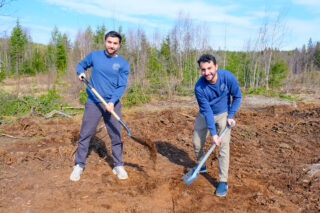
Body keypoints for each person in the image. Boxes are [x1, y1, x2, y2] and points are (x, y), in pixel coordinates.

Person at [70, 31, 129, 181]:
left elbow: (121, 85)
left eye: (115, 43)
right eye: (109, 42)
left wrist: (112, 101)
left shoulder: (123, 64)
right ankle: (79, 165)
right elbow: (81, 64)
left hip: (112, 104)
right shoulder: (94, 56)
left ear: (119, 45)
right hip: (93, 102)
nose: (112, 46)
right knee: (85, 134)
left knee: (116, 135)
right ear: (105, 42)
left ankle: (118, 165)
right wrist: (81, 72)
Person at [192, 54, 241, 196]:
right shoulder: (199, 87)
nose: (206, 72)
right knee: (196, 143)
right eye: (203, 69)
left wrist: (230, 115)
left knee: (223, 148)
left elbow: (237, 97)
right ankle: (201, 164)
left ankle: (223, 181)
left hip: (223, 114)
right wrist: (213, 134)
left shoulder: (228, 77)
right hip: (204, 114)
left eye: (209, 68)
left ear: (216, 67)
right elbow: (207, 111)